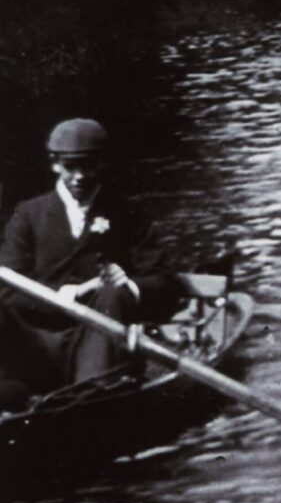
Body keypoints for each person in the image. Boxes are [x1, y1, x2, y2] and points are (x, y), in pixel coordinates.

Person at [0, 119, 186, 404]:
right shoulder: (28, 215)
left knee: (112, 293)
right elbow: (8, 292)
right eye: (70, 166)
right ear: (54, 164)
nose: (79, 176)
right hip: (39, 343)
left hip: (101, 340)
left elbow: (164, 281)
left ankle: (89, 397)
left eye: (89, 165)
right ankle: (19, 394)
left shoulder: (127, 213)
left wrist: (128, 288)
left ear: (102, 164)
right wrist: (68, 296)